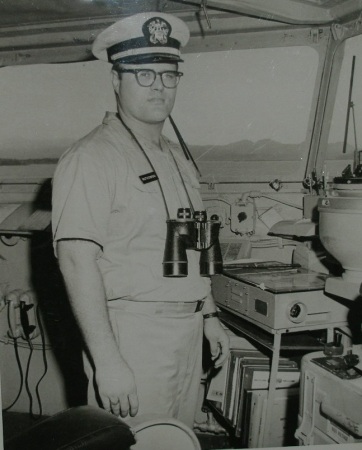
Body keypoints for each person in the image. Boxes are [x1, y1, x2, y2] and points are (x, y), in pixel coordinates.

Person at [51, 11, 229, 429]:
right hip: (134, 335)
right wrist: (108, 361)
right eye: (143, 75)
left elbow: (189, 244)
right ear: (116, 80)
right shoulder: (91, 157)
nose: (159, 87)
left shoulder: (177, 157)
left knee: (177, 439)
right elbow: (76, 261)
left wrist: (209, 316)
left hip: (185, 333)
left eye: (168, 76)